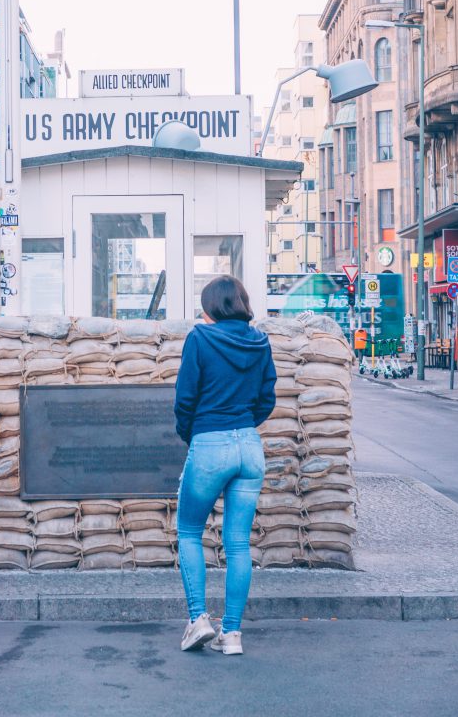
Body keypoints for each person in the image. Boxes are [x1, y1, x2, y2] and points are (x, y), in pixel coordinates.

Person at [174, 275, 276, 656]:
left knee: (188, 531)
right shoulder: (260, 342)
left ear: (212, 307)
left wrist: (194, 434)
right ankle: (231, 634)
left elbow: (185, 398)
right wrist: (244, 422)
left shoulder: (200, 338)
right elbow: (267, 397)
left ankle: (198, 620)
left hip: (209, 441)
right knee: (237, 544)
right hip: (249, 446)